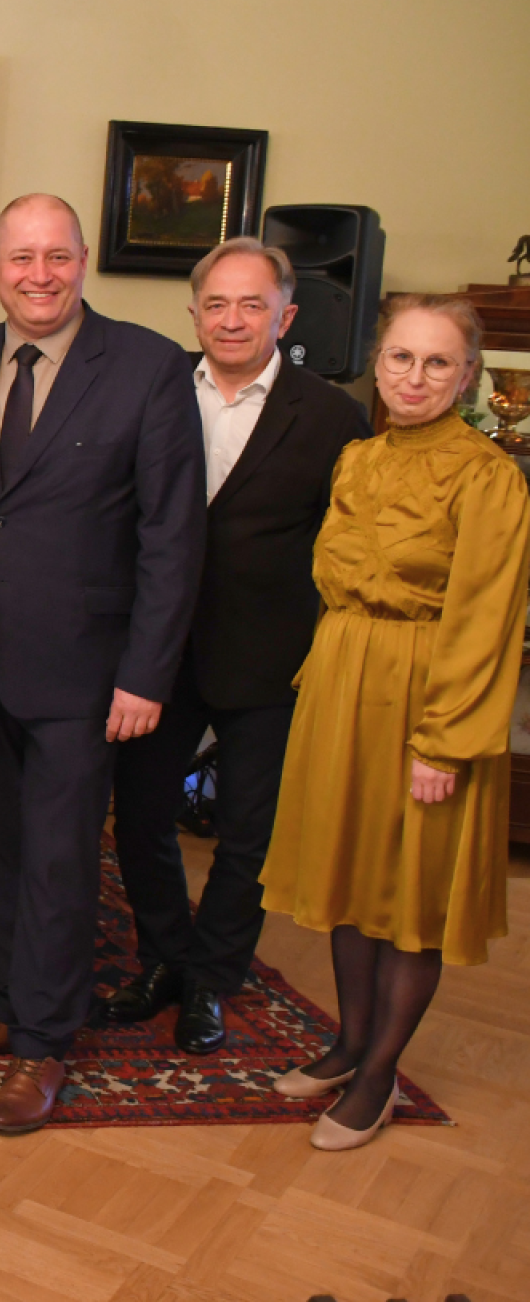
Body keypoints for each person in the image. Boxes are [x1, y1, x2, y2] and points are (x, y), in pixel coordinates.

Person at [0, 194, 203, 1133]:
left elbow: (173, 535)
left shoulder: (150, 366)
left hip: (88, 670)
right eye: (21, 257)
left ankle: (43, 1046)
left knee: (60, 860)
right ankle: (7, 1003)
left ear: (82, 261)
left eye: (57, 256)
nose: (39, 275)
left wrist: (147, 673)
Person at [260, 295, 530, 1151]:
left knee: (410, 891)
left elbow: (487, 620)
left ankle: (379, 1077)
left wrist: (446, 742)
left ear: (468, 375)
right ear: (376, 365)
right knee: (351, 878)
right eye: (400, 358)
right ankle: (349, 1044)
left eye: (437, 362)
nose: (415, 377)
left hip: (428, 694)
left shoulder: (488, 476)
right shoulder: (357, 460)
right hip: (345, 681)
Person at [107, 238, 369, 1053]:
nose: (231, 320)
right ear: (194, 313)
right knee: (140, 814)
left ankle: (210, 980)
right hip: (159, 653)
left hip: (271, 659)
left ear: (285, 317)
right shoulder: (152, 390)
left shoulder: (333, 417)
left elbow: (347, 546)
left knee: (249, 834)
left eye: (252, 304)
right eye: (216, 304)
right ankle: (163, 957)